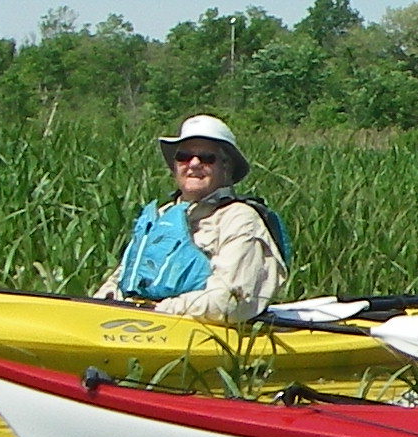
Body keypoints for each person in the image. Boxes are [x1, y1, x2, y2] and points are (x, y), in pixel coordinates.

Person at [92, 114, 289, 326]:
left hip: (192, 327)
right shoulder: (162, 215)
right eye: (184, 156)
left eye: (207, 158)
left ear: (226, 167)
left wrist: (158, 311)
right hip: (137, 320)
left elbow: (231, 302)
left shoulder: (240, 219)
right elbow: (120, 278)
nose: (194, 164)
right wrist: (100, 304)